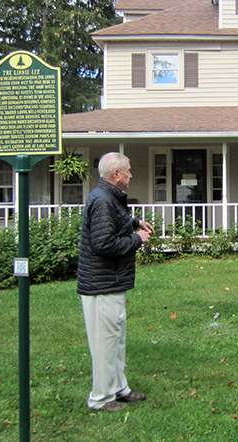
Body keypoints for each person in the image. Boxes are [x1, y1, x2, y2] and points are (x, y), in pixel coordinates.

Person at [77, 152, 155, 412]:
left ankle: (119, 389)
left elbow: (114, 223)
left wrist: (134, 223)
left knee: (116, 339)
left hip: (112, 282)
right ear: (116, 175)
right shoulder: (101, 200)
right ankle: (100, 398)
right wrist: (137, 239)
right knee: (104, 343)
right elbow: (103, 244)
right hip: (100, 286)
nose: (131, 175)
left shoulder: (109, 197)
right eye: (128, 171)